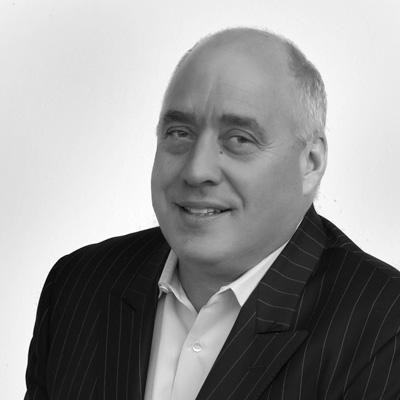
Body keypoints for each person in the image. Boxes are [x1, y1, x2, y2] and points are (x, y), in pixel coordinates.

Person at [25, 28, 400, 400]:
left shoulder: (384, 326)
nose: (196, 170)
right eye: (179, 133)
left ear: (311, 163)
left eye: (239, 139)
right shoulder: (77, 286)